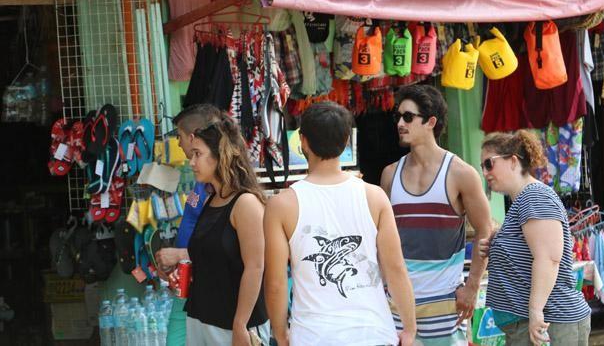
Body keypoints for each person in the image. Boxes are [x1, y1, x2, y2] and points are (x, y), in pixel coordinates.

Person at [264, 102, 416, 346]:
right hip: (373, 333)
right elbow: (396, 268)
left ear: (302, 141)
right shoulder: (374, 196)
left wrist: (281, 335)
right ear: (347, 141)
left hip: (313, 337)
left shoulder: (282, 205)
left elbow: (275, 282)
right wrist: (409, 328)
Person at [380, 84, 492, 345]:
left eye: (408, 117)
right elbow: (382, 238)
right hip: (396, 302)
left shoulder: (461, 174)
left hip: (445, 303)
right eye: (398, 116)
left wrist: (472, 286)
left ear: (431, 122)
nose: (400, 123)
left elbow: (485, 232)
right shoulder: (390, 174)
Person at [480, 131, 591, 345]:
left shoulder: (534, 197)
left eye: (489, 163)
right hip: (535, 324)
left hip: (549, 323)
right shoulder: (523, 200)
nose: (485, 172)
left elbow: (549, 258)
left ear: (513, 161)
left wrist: (536, 312)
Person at [173, 113, 270, 345]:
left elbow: (255, 267)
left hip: (234, 325)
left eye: (198, 154)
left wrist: (240, 325)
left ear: (219, 157)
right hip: (201, 319)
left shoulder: (245, 203)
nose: (192, 161)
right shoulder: (211, 201)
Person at [155, 103, 221, 346]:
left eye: (180, 136)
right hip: (188, 279)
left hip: (207, 286)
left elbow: (224, 244)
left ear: (193, 138)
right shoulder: (201, 179)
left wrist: (180, 254)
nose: (180, 144)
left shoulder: (221, 188)